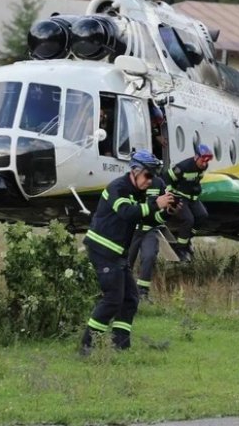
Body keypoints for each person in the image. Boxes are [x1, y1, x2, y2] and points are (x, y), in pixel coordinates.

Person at [81, 150, 175, 353]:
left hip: (117, 254)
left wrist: (164, 213)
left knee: (131, 298)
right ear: (134, 170)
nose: (150, 181)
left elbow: (145, 219)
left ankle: (120, 345)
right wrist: (154, 204)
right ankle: (87, 346)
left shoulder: (137, 192)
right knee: (113, 299)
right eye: (147, 176)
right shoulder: (118, 187)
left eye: (153, 177)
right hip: (103, 250)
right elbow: (127, 213)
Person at [127, 173, 175, 301]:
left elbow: (168, 199)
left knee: (148, 257)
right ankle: (122, 291)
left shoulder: (159, 182)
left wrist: (169, 208)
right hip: (132, 230)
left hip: (150, 230)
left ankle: (143, 292)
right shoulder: (129, 183)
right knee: (126, 262)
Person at [165, 144, 213, 261]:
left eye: (207, 161)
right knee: (188, 220)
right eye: (203, 160)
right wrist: (171, 196)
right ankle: (180, 249)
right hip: (180, 196)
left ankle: (186, 239)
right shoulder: (183, 167)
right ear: (196, 157)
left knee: (202, 216)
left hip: (193, 198)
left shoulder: (203, 166)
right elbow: (166, 178)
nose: (205, 163)